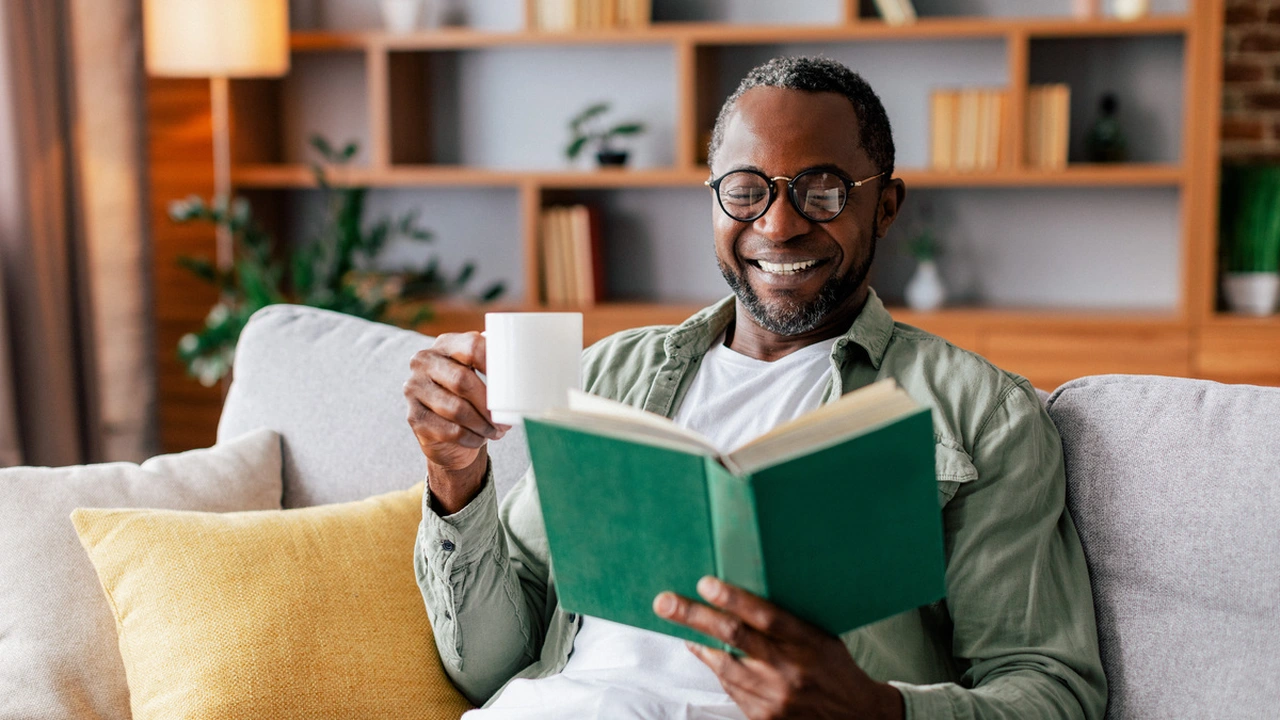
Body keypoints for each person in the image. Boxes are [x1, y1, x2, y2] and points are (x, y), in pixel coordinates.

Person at [405, 56, 1106, 720]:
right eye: (746, 191)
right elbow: (491, 663)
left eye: (821, 191)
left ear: (886, 207)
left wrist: (877, 711)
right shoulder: (608, 376)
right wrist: (455, 475)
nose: (777, 224)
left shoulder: (979, 413)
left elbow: (1052, 692)